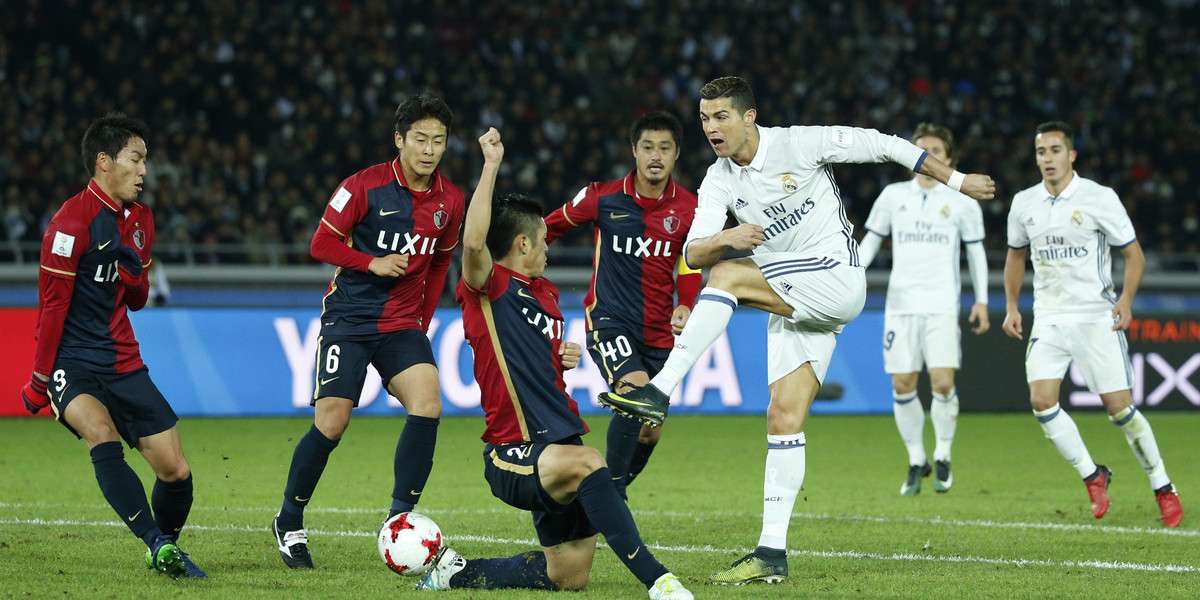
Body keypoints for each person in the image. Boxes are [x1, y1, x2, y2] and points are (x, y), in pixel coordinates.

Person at [599, 76, 996, 584]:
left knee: (727, 276)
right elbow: (692, 253)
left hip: (835, 276)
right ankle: (772, 553)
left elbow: (885, 144)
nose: (711, 128)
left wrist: (957, 181)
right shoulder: (718, 179)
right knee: (783, 419)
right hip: (792, 300)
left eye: (721, 116)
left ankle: (658, 389)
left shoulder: (798, 143)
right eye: (704, 119)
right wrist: (728, 235)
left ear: (749, 117)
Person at [416, 128, 692, 600]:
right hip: (513, 452)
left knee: (568, 575)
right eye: (542, 240)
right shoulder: (490, 286)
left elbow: (529, 368)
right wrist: (490, 167)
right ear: (521, 244)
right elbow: (475, 243)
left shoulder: (545, 296)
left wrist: (561, 357)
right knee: (592, 463)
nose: (549, 247)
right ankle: (658, 580)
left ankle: (453, 572)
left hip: (558, 442)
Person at [272, 94, 465, 568]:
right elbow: (320, 242)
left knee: (428, 404)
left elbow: (441, 260)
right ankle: (289, 520)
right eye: (420, 139)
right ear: (399, 139)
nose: (429, 149)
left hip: (402, 323)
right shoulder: (364, 185)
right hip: (350, 320)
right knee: (332, 422)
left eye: (438, 140)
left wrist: (422, 320)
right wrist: (370, 262)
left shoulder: (451, 200)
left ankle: (398, 524)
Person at [21, 112, 205, 578]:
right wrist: (41, 379)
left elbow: (138, 301)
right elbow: (52, 308)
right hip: (72, 362)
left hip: (123, 360)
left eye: (146, 160)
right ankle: (156, 542)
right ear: (104, 161)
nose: (145, 171)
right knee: (100, 435)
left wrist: (135, 276)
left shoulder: (141, 220)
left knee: (177, 472)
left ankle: (163, 545)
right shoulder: (69, 224)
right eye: (136, 159)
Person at [1002, 121, 1183, 527]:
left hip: (1094, 316)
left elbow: (1134, 256)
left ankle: (1163, 485)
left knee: (1120, 410)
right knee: (1041, 401)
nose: (1047, 158)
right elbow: (1015, 256)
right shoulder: (1023, 203)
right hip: (1049, 316)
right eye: (1040, 152)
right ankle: (1092, 473)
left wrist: (1126, 301)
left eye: (1054, 150)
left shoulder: (1099, 198)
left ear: (1071, 155)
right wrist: (1013, 306)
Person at [544, 111, 700, 500]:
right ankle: (611, 496)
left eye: (665, 148)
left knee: (651, 429)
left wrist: (688, 303)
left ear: (676, 153)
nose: (655, 155)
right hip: (609, 320)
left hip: (661, 331)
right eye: (647, 147)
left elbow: (691, 262)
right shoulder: (602, 196)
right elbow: (547, 228)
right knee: (635, 398)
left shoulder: (690, 207)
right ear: (634, 150)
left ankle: (596, 499)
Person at [858, 123, 990, 496]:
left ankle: (944, 453)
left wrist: (981, 299)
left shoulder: (963, 199)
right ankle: (917, 458)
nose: (929, 156)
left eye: (936, 150)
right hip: (900, 305)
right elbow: (870, 243)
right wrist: (852, 278)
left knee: (943, 383)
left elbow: (976, 251)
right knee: (902, 384)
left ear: (950, 159)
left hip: (942, 306)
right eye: (922, 150)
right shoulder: (892, 195)